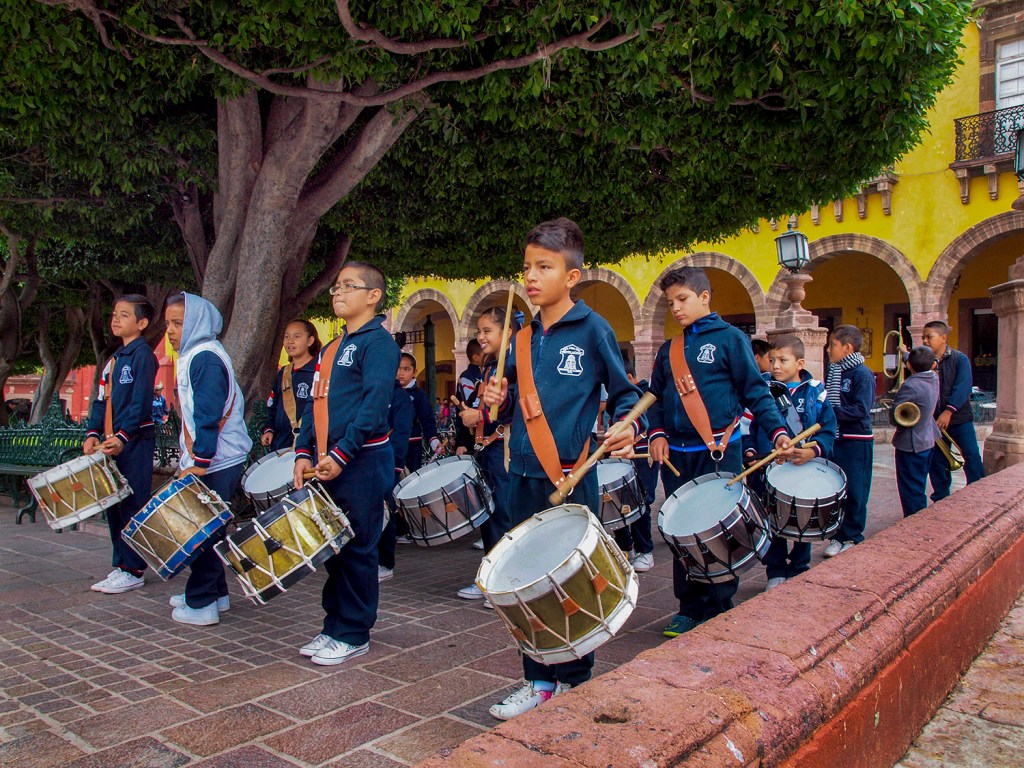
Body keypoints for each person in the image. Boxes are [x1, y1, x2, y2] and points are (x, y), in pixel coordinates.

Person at [482, 217, 644, 720]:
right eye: (527, 267)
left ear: (571, 276)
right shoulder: (522, 338)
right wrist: (497, 398)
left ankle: (575, 680)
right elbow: (513, 404)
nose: (531, 277)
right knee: (525, 582)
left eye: (544, 267)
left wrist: (627, 426)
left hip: (570, 475)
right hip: (522, 476)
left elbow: (626, 393)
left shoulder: (593, 329)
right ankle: (537, 680)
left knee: (572, 581)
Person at [647, 266, 792, 638]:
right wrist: (656, 434)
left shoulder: (730, 339)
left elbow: (755, 391)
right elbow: (656, 399)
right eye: (671, 302)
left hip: (718, 450)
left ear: (704, 297)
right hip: (676, 456)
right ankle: (688, 607)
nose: (676, 308)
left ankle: (718, 606)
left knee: (716, 531)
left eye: (683, 299)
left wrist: (777, 431)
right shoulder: (668, 350)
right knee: (681, 531)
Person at [293, 262, 399, 665]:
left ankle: (354, 632)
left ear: (373, 296)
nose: (337, 292)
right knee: (333, 547)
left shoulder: (379, 344)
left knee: (356, 548)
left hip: (362, 461)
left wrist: (341, 453)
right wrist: (304, 451)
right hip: (328, 461)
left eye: (348, 286)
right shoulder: (332, 347)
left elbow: (374, 405)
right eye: (336, 286)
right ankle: (333, 625)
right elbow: (314, 404)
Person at [164, 292, 252, 625]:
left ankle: (201, 604)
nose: (171, 331)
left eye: (178, 323)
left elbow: (208, 412)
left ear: (196, 323)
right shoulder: (198, 354)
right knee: (210, 529)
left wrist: (200, 461)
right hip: (217, 457)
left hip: (217, 459)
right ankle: (216, 594)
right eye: (168, 323)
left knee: (200, 532)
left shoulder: (204, 357)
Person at [746, 335, 837, 590]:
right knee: (772, 519)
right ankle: (775, 570)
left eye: (783, 360)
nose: (775, 365)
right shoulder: (761, 390)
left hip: (802, 468)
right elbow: (748, 427)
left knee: (802, 519)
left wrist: (813, 452)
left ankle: (799, 567)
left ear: (800, 363)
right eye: (772, 360)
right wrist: (751, 451)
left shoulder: (815, 391)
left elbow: (828, 429)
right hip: (770, 469)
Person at [84, 295, 159, 595]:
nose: (115, 319)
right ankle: (121, 564)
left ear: (142, 323)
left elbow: (141, 402)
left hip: (134, 442)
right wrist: (93, 432)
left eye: (124, 315)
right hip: (112, 442)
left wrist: (123, 436)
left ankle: (134, 569)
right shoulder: (115, 358)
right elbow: (101, 400)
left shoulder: (143, 356)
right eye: (115, 314)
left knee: (132, 503)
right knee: (113, 504)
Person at [455, 305, 520, 601]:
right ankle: (491, 579)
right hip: (489, 449)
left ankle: (502, 585)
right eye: (478, 331)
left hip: (504, 450)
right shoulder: (492, 365)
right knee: (490, 516)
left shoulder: (513, 364)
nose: (480, 337)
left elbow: (514, 409)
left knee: (502, 516)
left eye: (487, 331)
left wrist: (478, 417)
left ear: (507, 332)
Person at [823, 325, 876, 558]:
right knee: (838, 490)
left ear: (847, 347)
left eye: (832, 345)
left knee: (856, 490)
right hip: (837, 439)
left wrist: (830, 413)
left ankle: (853, 535)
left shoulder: (862, 374)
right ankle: (837, 535)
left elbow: (861, 409)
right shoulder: (835, 372)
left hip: (856, 440)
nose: (828, 350)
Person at [921, 320, 985, 498]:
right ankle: (941, 497)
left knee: (971, 455)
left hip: (959, 418)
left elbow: (963, 387)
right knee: (937, 461)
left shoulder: (959, 359)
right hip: (934, 421)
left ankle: (978, 493)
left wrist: (949, 411)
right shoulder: (924, 362)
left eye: (929, 337)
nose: (925, 341)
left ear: (943, 338)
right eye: (923, 337)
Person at [612, 363, 658, 573]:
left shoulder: (649, 394)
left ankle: (645, 550)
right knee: (617, 503)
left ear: (629, 377)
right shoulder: (617, 396)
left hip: (643, 455)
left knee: (641, 501)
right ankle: (626, 546)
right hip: (621, 455)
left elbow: (653, 423)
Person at [890, 345, 940, 518]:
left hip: (911, 443)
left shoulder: (910, 386)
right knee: (919, 484)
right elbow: (918, 364)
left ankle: (914, 522)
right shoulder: (934, 377)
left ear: (910, 365)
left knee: (911, 490)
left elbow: (894, 417)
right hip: (927, 439)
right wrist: (905, 354)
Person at [377, 367, 415, 582]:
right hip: (363, 461)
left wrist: (395, 464)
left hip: (387, 462)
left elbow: (401, 432)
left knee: (385, 511)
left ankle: (385, 562)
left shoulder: (399, 396)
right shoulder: (370, 390)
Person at [261, 319, 321, 451]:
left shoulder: (319, 372)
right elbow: (273, 406)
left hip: (308, 447)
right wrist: (269, 429)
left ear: (310, 341)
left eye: (297, 337)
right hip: (280, 446)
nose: (290, 341)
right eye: (286, 337)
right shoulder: (283, 373)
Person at [398, 353, 443, 472]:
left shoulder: (419, 395)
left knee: (411, 477)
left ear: (414, 372)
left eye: (406, 369)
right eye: (397, 368)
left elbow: (427, 419)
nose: (400, 373)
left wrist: (434, 440)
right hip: (391, 444)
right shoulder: (388, 392)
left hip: (412, 444)